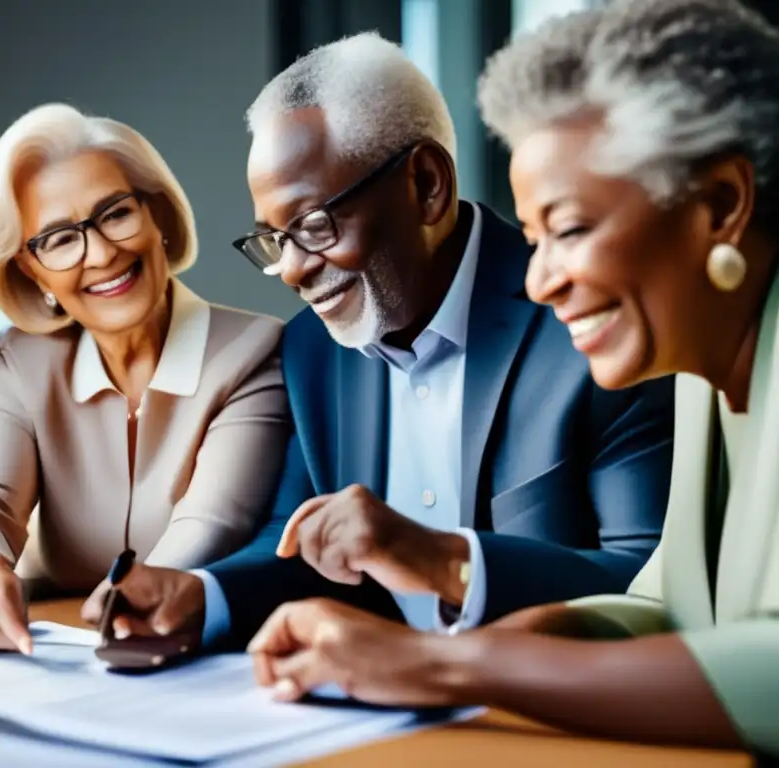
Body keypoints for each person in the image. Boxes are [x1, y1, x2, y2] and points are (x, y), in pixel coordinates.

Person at [242, 0, 779, 756]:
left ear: (721, 204)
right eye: (532, 238)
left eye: (569, 230)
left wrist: (447, 664)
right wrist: (496, 642)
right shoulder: (705, 369)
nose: (539, 281)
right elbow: (666, 604)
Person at [82, 33, 674, 655]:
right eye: (274, 239)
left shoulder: (590, 323)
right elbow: (293, 536)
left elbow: (649, 584)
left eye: (313, 225)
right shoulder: (311, 348)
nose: (291, 270)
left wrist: (437, 557)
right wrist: (203, 595)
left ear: (426, 184)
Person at [0, 104, 289, 655]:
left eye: (115, 213)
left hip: (182, 649)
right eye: (58, 239)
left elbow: (213, 521)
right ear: (30, 270)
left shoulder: (253, 350)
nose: (100, 253)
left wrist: (129, 600)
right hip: (49, 643)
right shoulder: (21, 362)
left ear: (157, 217)